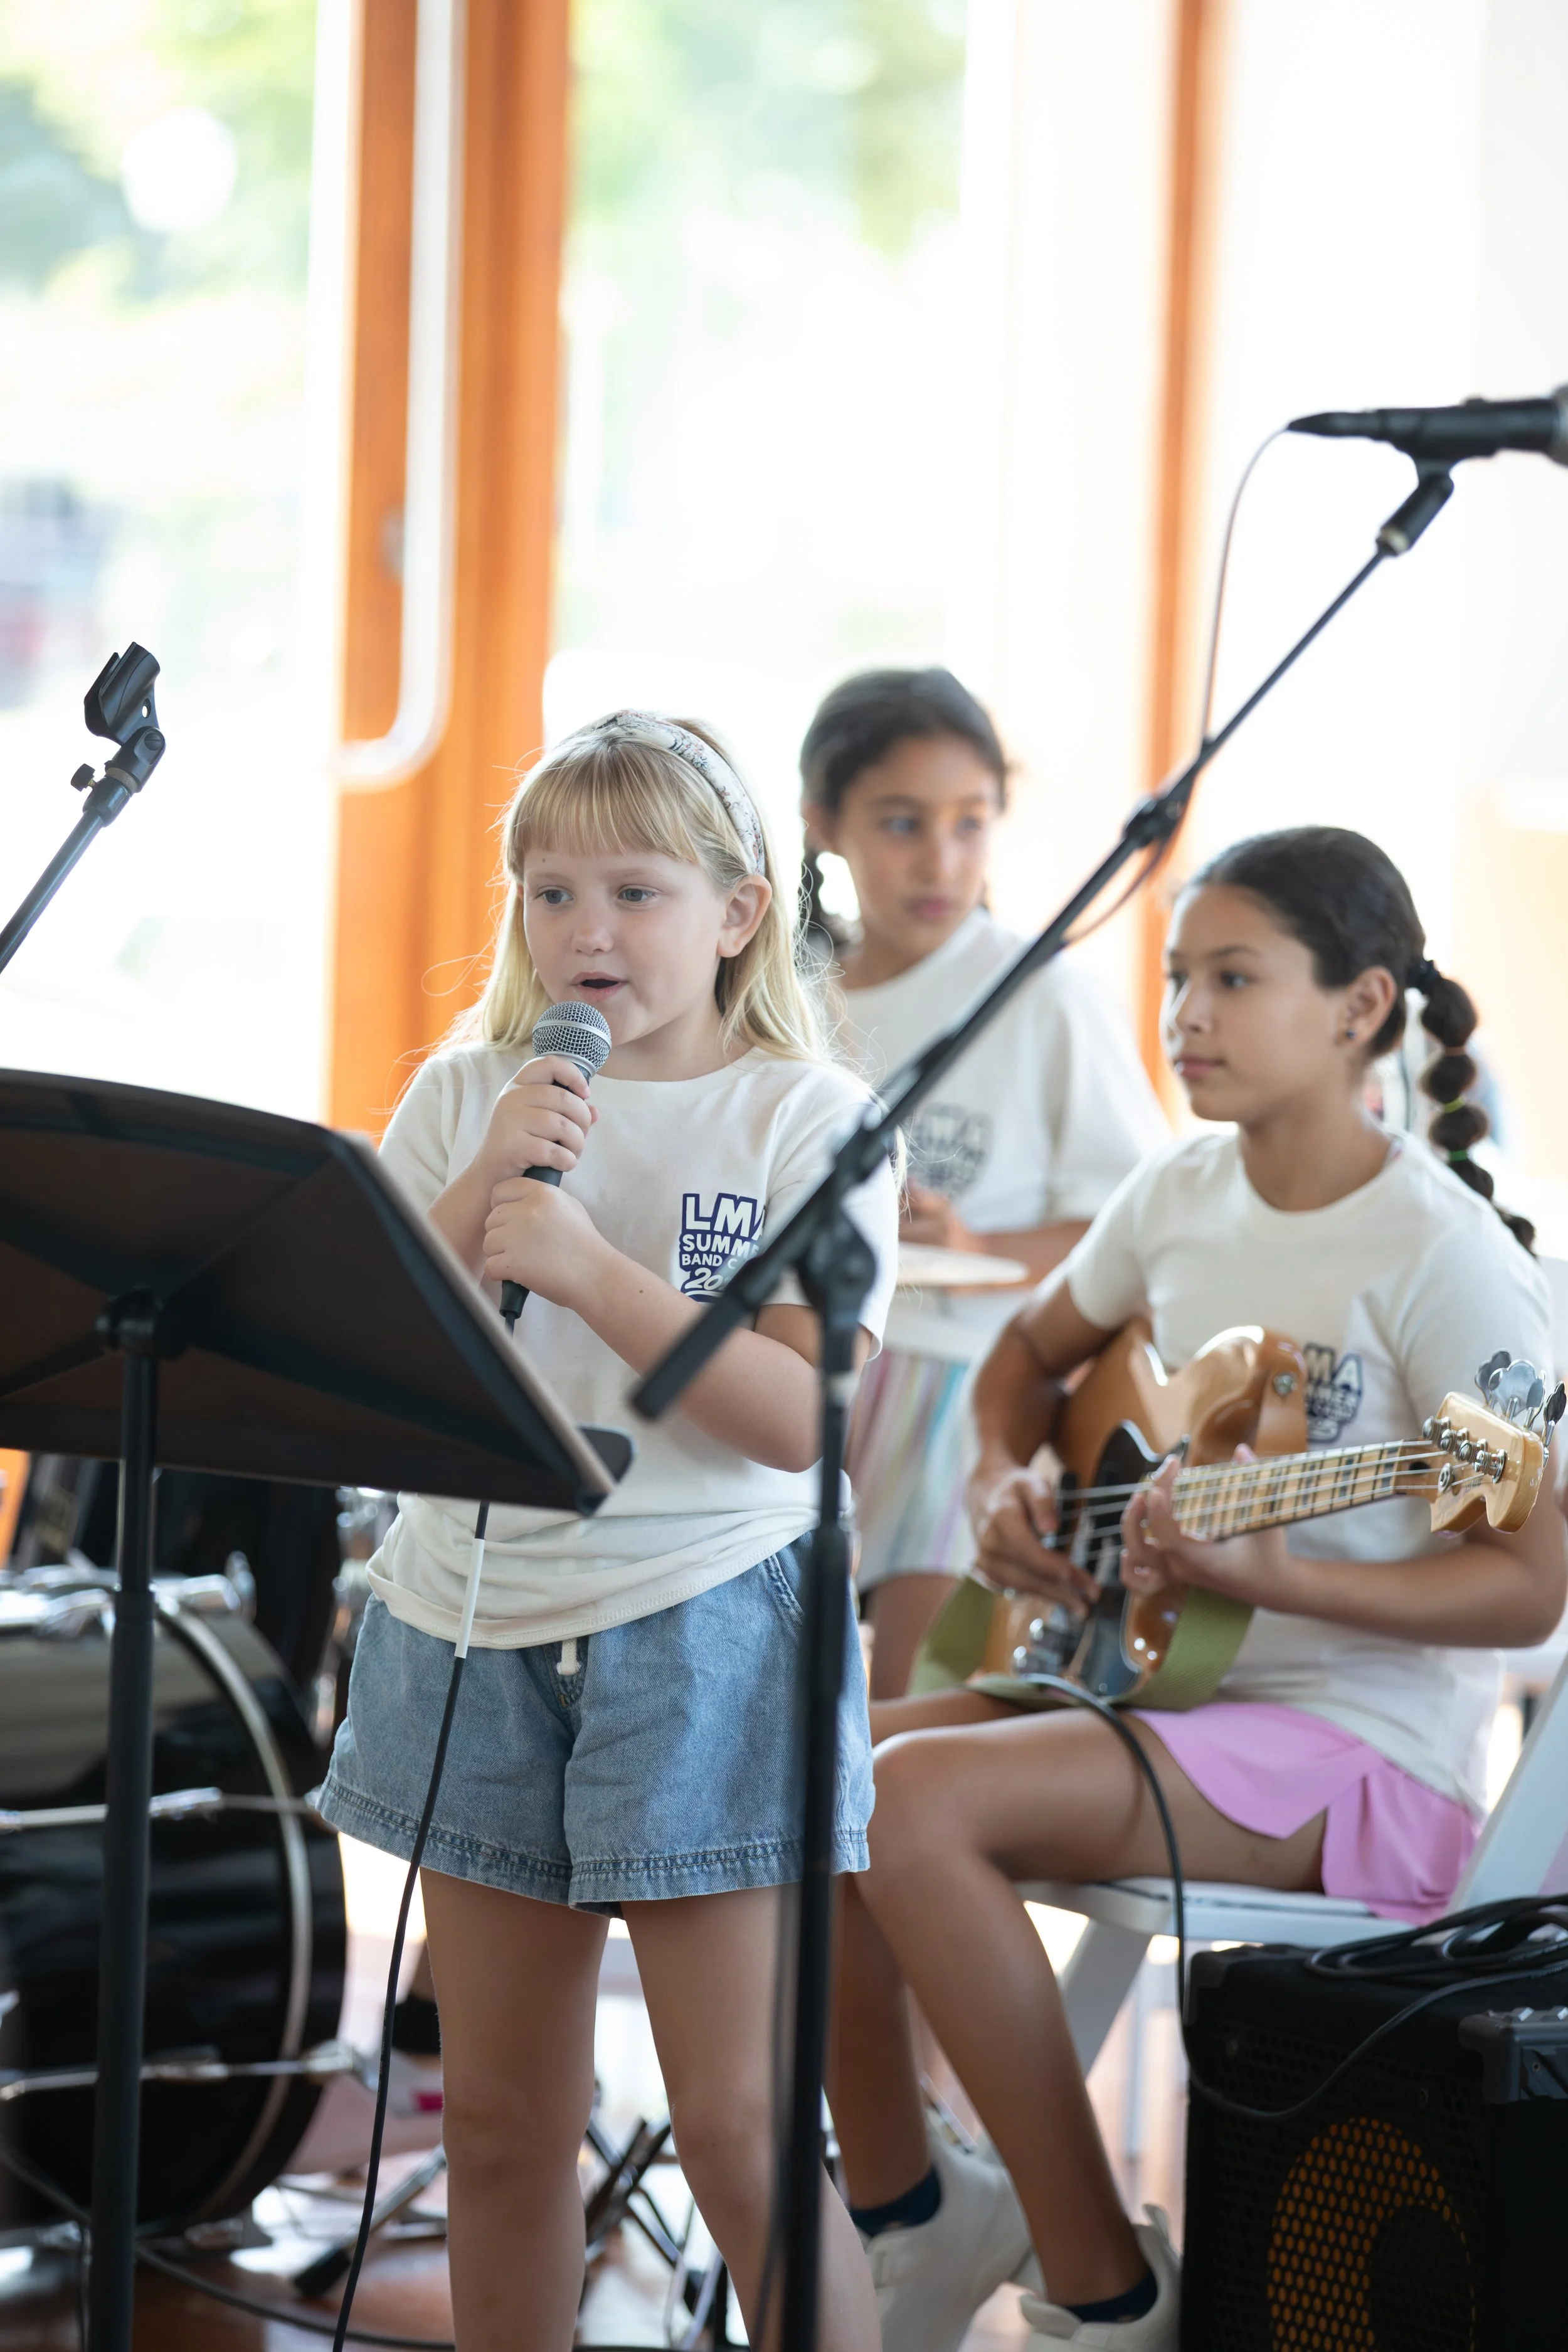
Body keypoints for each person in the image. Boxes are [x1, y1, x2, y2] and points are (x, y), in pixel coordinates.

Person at [826, 826, 1565, 2352]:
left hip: (1360, 1755)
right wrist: (1004, 1483)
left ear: (1359, 1007)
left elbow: (1530, 1585)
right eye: (1176, 979)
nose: (1185, 1016)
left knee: (905, 1803)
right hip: (1146, 1678)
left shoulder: (1445, 1261)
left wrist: (1284, 1572)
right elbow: (1026, 1362)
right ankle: (914, 2207)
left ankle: (1106, 2288)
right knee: (807, 1763)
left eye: (1232, 979)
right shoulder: (1175, 1192)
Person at [315, 712, 898, 2352]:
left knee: (734, 2122)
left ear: (738, 909)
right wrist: (478, 1179)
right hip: (470, 1627)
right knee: (499, 2122)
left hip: (704, 1629)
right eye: (548, 888)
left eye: (635, 890)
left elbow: (802, 1421)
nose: (585, 930)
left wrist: (587, 1267)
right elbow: (365, 1364)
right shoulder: (466, 1091)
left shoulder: (806, 1116)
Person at [800, 667, 1166, 1698]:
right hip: (807, 1365)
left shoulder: (1039, 992)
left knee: (894, 1708)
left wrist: (974, 1251)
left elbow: (1133, 1230)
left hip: (965, 1374)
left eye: (971, 823)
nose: (942, 859)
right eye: (904, 822)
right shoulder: (789, 999)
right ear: (824, 821)